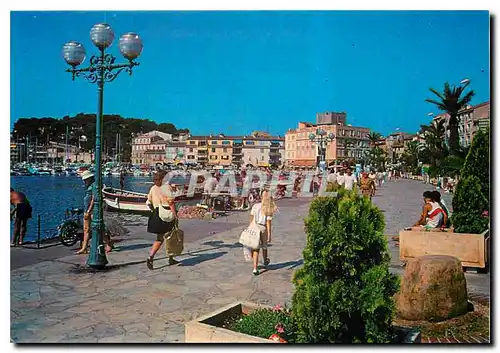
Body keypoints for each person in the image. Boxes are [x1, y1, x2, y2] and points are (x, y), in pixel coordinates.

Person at [146, 170, 179, 270]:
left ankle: (150, 256)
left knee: (159, 239)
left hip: (157, 215)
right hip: (167, 215)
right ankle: (171, 258)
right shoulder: (166, 188)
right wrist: (175, 215)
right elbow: (171, 203)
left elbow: (149, 201)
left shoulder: (153, 188)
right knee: (171, 237)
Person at [75, 171, 113, 254]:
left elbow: (93, 199)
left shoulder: (94, 186)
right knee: (86, 229)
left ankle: (108, 243)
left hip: (92, 210)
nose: (84, 181)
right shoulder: (88, 186)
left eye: (85, 179)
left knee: (99, 228)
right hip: (87, 210)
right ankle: (84, 248)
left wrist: (89, 211)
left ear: (89, 178)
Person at [248, 189, 276, 275]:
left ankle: (255, 268)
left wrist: (250, 229)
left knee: (256, 248)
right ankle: (265, 260)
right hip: (262, 227)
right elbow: (268, 222)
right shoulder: (268, 208)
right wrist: (269, 235)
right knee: (264, 246)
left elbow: (251, 219)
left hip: (254, 226)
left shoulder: (255, 206)